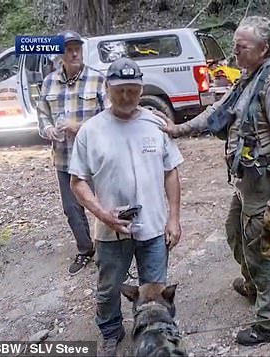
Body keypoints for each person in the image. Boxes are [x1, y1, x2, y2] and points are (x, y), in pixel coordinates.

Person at [161, 16, 270, 346]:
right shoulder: (248, 79)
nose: (235, 51)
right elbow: (215, 114)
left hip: (264, 187)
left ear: (263, 49)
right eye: (235, 45)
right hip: (246, 182)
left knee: (261, 249)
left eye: (242, 47)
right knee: (235, 234)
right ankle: (253, 286)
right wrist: (175, 129)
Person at [68, 57, 184, 356]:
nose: (126, 96)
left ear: (141, 88)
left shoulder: (155, 124)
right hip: (111, 230)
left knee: (155, 288)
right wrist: (103, 214)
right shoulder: (91, 131)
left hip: (154, 226)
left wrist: (173, 218)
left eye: (133, 89)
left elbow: (171, 172)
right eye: (119, 89)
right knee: (109, 289)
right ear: (107, 88)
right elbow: (77, 182)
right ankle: (111, 330)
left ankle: (159, 333)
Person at [36, 30, 108, 276]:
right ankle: (86, 248)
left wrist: (79, 128)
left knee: (104, 202)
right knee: (71, 208)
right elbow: (42, 114)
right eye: (69, 49)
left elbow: (110, 119)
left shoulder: (98, 80)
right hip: (64, 158)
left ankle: (112, 248)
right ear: (60, 54)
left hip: (96, 158)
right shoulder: (48, 82)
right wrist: (47, 129)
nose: (75, 52)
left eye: (78, 47)